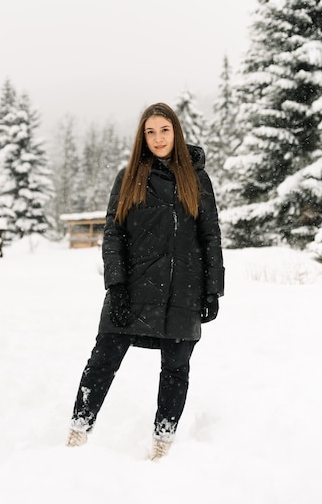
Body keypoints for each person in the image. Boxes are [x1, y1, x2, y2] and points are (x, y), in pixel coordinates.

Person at [66, 102, 224, 460]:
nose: (157, 138)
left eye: (164, 130)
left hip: (182, 290)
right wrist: (116, 287)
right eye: (150, 132)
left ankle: (161, 448)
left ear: (175, 132)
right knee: (102, 360)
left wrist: (212, 289)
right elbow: (113, 234)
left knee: (176, 369)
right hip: (133, 288)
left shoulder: (197, 179)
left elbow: (210, 235)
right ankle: (77, 434)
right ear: (142, 136)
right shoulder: (128, 177)